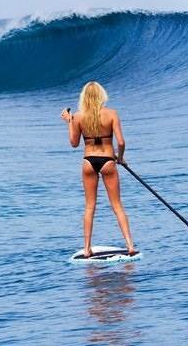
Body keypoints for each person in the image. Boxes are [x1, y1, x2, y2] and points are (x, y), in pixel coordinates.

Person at [61, 81, 137, 258]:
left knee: (90, 206)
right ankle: (130, 246)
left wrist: (70, 121)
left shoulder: (78, 116)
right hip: (108, 161)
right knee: (117, 205)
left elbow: (74, 143)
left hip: (88, 161)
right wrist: (120, 158)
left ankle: (87, 249)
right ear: (101, 95)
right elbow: (121, 142)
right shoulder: (112, 114)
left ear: (84, 97)